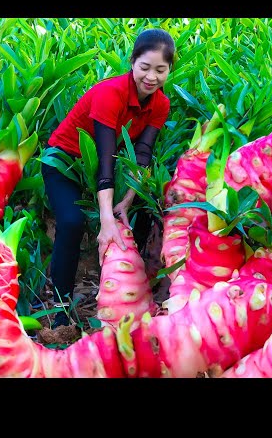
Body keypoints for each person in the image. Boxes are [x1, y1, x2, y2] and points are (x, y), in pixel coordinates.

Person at [42, 28, 175, 328]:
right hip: (64, 162)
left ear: (169, 70)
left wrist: (125, 203)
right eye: (144, 67)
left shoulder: (160, 105)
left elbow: (141, 154)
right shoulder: (109, 93)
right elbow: (103, 158)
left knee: (142, 217)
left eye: (160, 70)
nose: (151, 77)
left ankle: (140, 303)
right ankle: (61, 311)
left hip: (108, 170)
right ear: (132, 62)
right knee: (73, 222)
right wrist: (105, 219)